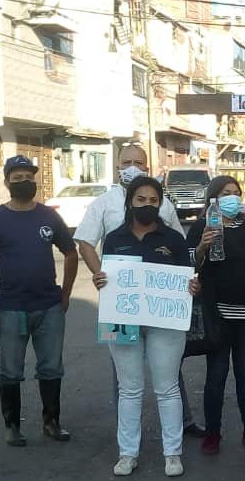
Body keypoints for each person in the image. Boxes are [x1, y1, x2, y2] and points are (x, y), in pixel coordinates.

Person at [73, 143, 205, 438]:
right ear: (118, 165)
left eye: (139, 162)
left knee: (168, 372)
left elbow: (178, 248)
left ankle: (182, 423)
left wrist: (183, 285)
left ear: (147, 166)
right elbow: (84, 242)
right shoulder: (103, 203)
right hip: (121, 304)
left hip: (161, 306)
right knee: (124, 379)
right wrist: (100, 275)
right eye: (127, 161)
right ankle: (127, 439)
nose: (133, 166)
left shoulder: (164, 204)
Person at [92, 176, 199, 478]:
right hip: (123, 320)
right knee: (129, 390)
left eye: (153, 200)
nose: (147, 205)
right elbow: (108, 275)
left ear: (161, 203)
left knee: (167, 388)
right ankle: (127, 454)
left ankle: (173, 453)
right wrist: (100, 279)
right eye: (141, 199)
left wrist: (192, 286)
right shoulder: (114, 238)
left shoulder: (174, 240)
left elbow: (185, 278)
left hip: (165, 324)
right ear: (129, 202)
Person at [0, 155, 78, 447]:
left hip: (49, 306)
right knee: (10, 370)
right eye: (16, 178)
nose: (23, 182)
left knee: (52, 368)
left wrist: (65, 294)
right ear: (6, 182)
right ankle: (12, 426)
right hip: (10, 308)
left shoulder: (49, 217)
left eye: (28, 177)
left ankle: (51, 422)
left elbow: (71, 253)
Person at [187, 175, 245, 454]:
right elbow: (188, 264)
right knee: (216, 375)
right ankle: (212, 433)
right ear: (213, 198)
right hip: (216, 316)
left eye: (236, 192)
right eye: (226, 192)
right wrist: (202, 246)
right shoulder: (202, 227)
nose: (232, 197)